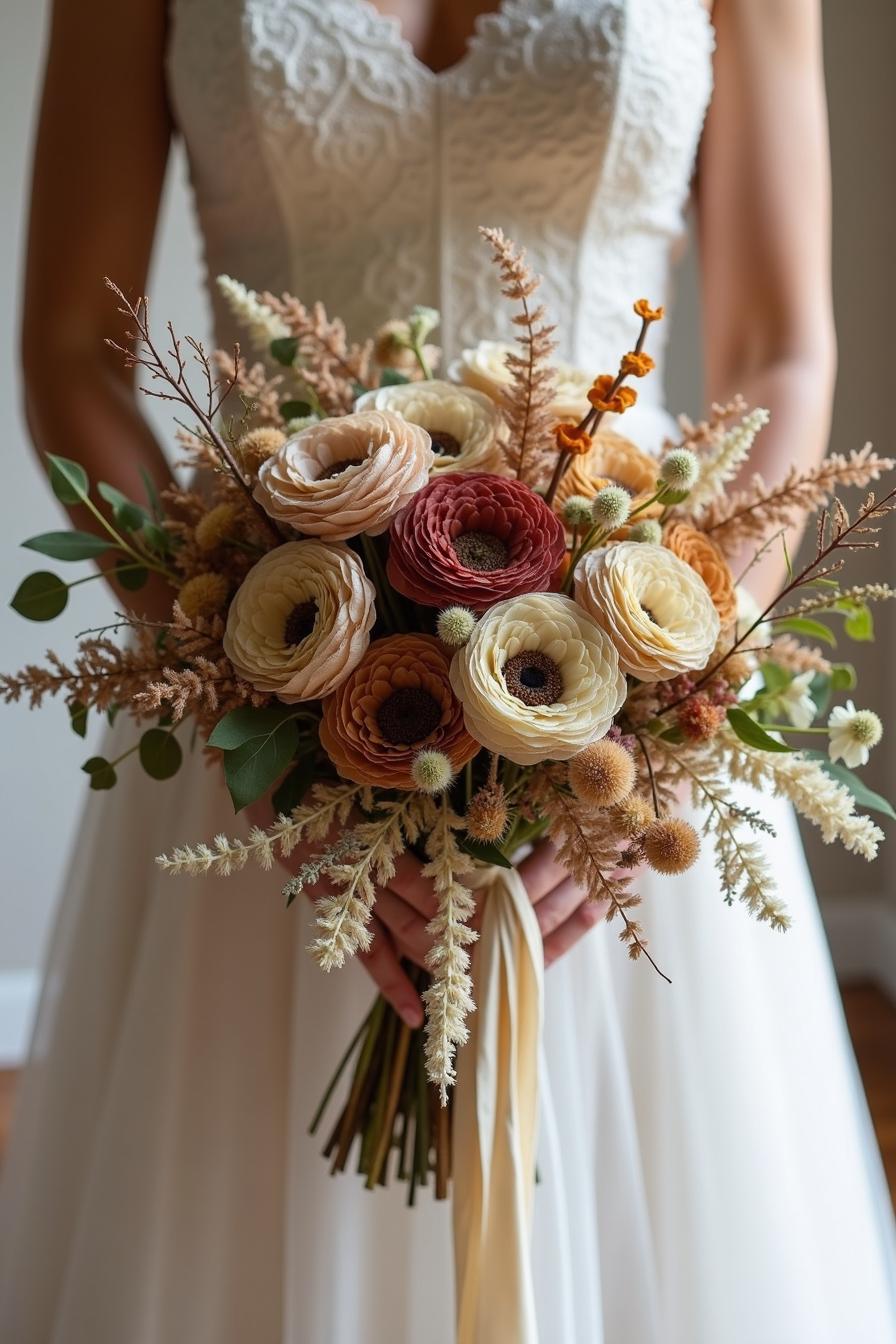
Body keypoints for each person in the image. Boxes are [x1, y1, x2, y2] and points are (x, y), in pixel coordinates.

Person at [2, 1, 895, 1340]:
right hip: (267, 645)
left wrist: (665, 703)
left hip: (625, 661)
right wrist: (243, 687)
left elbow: (782, 348)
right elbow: (74, 348)